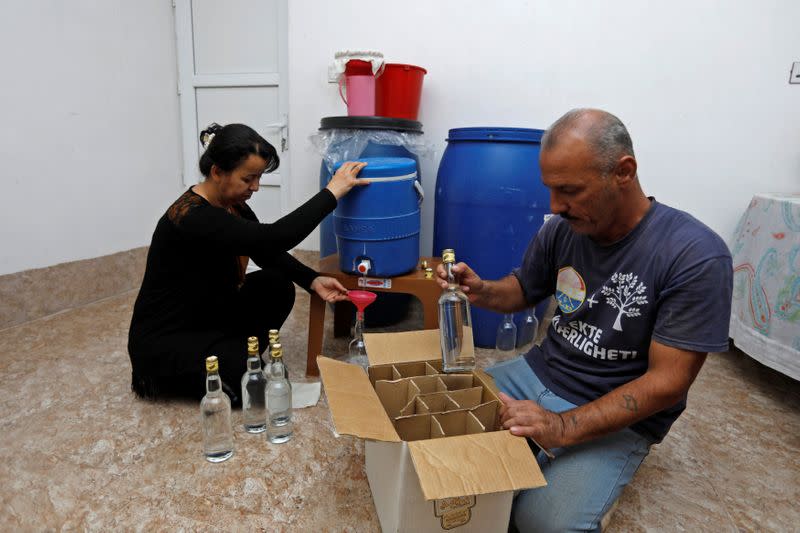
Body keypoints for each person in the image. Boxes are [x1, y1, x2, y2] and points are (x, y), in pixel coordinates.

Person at [437, 109, 733, 532]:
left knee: (543, 523)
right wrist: (482, 289)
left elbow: (668, 383)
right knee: (440, 432)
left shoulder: (694, 255)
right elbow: (523, 289)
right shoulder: (563, 228)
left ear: (623, 172)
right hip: (537, 372)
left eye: (570, 190)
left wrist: (561, 426)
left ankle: (583, 472)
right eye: (551, 190)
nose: (556, 206)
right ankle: (539, 455)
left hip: (614, 408)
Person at [128, 123, 368, 404]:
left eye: (258, 178)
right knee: (247, 379)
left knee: (277, 285)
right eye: (248, 178)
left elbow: (265, 251)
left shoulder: (231, 205)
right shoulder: (192, 216)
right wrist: (332, 192)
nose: (255, 187)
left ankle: (236, 354)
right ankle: (232, 360)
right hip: (168, 340)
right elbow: (277, 237)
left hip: (206, 317)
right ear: (218, 172)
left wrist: (311, 279)